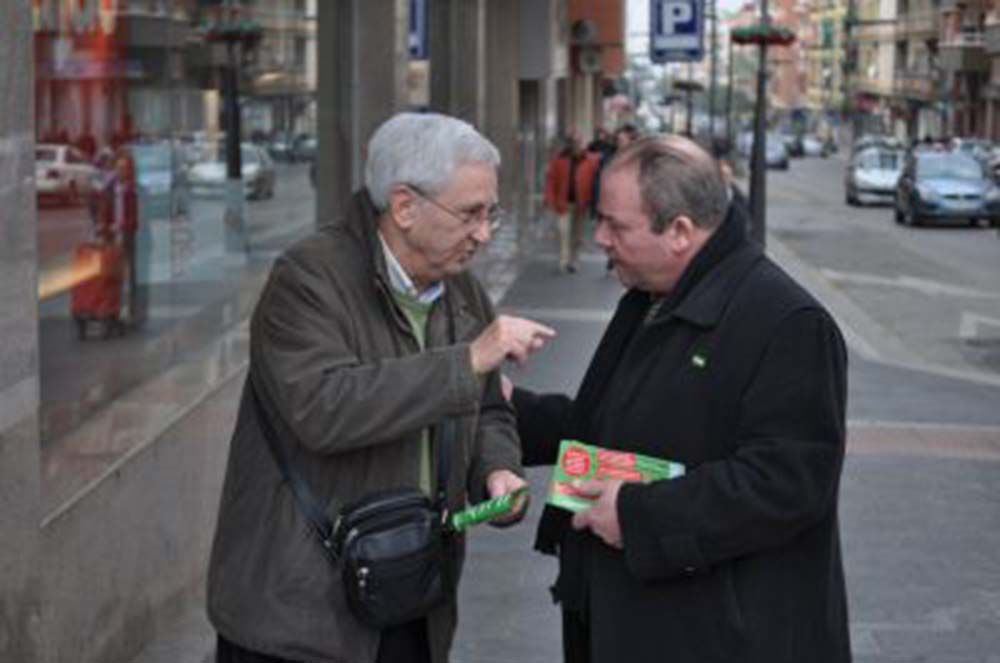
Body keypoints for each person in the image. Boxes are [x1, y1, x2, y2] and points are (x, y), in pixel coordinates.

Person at [206, 112, 556, 663]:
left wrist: (496, 468)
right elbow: (323, 408)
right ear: (404, 207)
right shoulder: (306, 280)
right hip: (300, 613)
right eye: (470, 214)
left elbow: (487, 407)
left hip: (411, 594)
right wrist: (467, 360)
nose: (485, 234)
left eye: (491, 213)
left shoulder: (461, 290)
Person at [510, 134, 851, 663]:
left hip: (723, 636)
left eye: (616, 225)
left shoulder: (787, 323)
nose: (599, 237)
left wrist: (640, 515)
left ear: (680, 232)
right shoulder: (655, 295)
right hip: (640, 615)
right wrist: (512, 410)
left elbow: (788, 482)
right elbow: (611, 424)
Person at [543, 133, 599, 273]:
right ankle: (564, 260)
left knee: (577, 235)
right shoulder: (559, 160)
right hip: (563, 203)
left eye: (580, 143)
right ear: (570, 145)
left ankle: (574, 259)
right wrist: (550, 199)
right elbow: (551, 180)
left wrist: (594, 202)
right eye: (575, 143)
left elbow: (595, 182)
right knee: (563, 231)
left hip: (581, 204)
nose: (578, 146)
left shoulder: (591, 160)